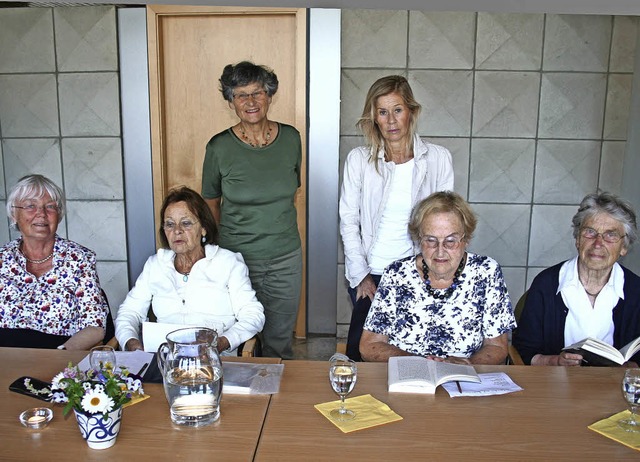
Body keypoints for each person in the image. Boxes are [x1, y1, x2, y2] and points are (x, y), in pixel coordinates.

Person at [340, 75, 454, 361]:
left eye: (398, 110)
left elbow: (445, 221)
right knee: (362, 355)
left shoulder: (438, 158)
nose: (391, 120)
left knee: (415, 356)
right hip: (373, 273)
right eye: (382, 112)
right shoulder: (359, 160)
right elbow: (348, 221)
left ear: (411, 112)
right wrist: (361, 276)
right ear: (374, 117)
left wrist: (435, 274)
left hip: (419, 273)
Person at [202, 61, 302, 359]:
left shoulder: (291, 139)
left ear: (269, 96)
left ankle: (277, 398)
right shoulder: (219, 147)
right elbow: (210, 204)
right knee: (236, 335)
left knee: (280, 338)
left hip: (285, 256)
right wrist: (221, 254)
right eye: (240, 95)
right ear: (231, 101)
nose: (250, 102)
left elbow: (292, 192)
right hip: (237, 259)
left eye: (257, 93)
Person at [360, 191, 515, 364]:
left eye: (450, 241)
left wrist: (467, 365)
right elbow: (369, 346)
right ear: (419, 239)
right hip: (408, 377)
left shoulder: (486, 272)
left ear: (466, 239)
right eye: (431, 240)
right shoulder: (397, 274)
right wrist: (418, 362)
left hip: (465, 379)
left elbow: (497, 347)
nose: (440, 251)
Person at [115, 186, 264, 355]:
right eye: (169, 224)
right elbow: (129, 312)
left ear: (203, 228)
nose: (177, 231)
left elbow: (253, 315)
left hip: (216, 362)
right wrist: (131, 342)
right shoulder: (155, 265)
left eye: (185, 223)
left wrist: (221, 343)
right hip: (165, 362)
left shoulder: (228, 263)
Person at [513, 192, 640, 366]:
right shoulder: (546, 284)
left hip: (614, 389)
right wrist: (556, 361)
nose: (598, 243)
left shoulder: (636, 290)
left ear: (624, 247)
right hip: (555, 387)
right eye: (590, 232)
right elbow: (523, 351)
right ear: (577, 239)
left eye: (611, 235)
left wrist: (630, 367)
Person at [0, 174, 108, 349]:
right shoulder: (2, 259)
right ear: (14, 214)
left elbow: (95, 327)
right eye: (30, 206)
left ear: (58, 214)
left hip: (60, 358)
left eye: (50, 207)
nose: (41, 214)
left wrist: (60, 357)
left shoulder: (79, 259)